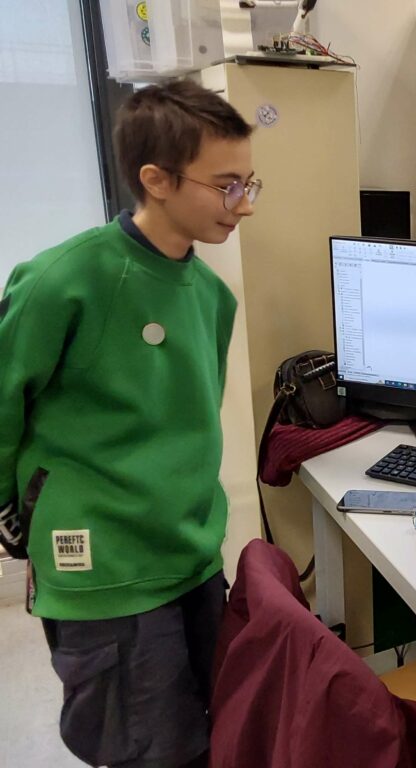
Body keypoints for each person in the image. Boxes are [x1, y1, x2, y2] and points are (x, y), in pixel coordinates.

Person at [0, 80, 259, 768]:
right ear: (157, 180)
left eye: (249, 183)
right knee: (146, 751)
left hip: (190, 558)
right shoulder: (64, 280)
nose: (245, 204)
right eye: (227, 185)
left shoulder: (210, 296)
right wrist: (9, 509)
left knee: (212, 734)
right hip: (105, 572)